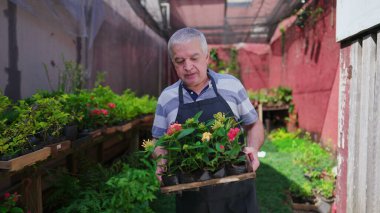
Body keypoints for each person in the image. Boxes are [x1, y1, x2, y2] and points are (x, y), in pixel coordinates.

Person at [152, 27, 265, 213]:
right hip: (191, 196)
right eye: (179, 61)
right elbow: (158, 139)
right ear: (173, 62)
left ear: (207, 56)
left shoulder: (231, 86)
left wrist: (253, 148)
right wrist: (161, 162)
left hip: (237, 194)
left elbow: (253, 124)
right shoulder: (167, 97)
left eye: (194, 58)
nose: (187, 67)